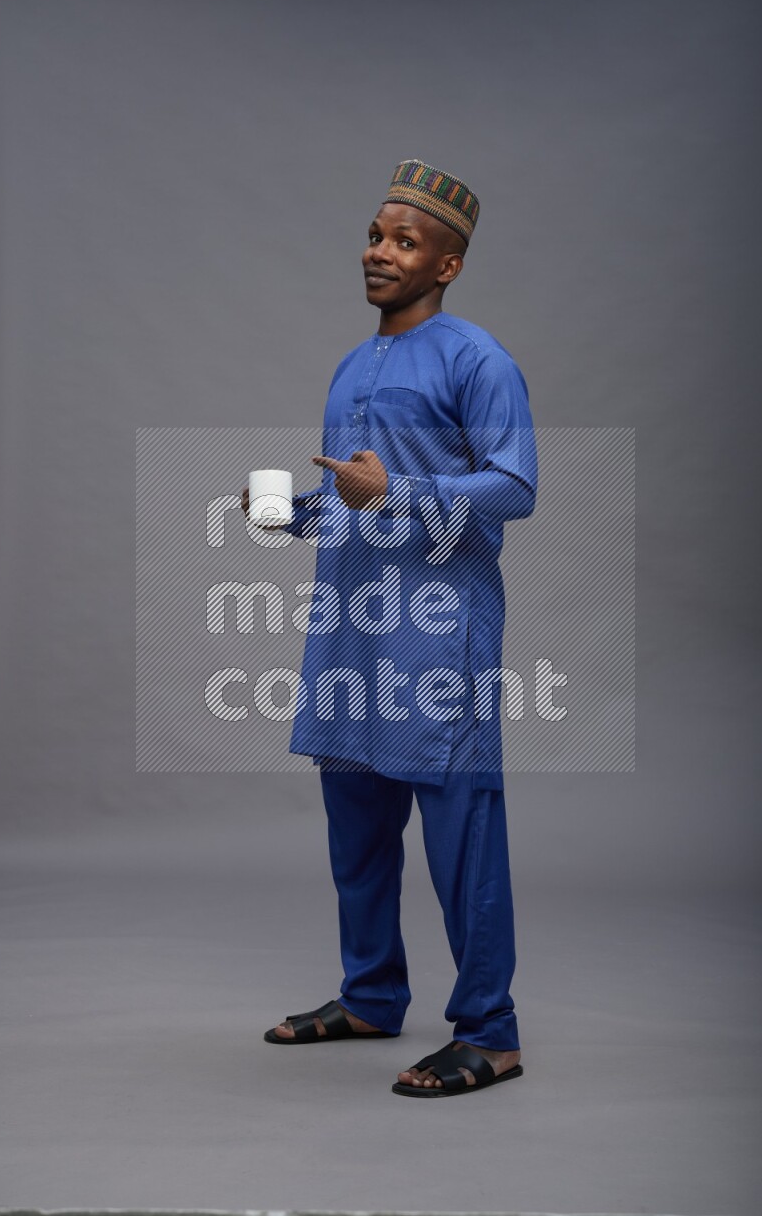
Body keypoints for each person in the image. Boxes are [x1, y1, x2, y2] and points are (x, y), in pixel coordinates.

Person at [242, 159, 538, 1096]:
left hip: (435, 641)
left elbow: (516, 487)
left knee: (459, 838)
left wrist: (397, 488)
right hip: (352, 635)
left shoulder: (475, 358)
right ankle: (371, 993)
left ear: (446, 265)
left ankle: (490, 1032)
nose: (380, 252)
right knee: (356, 832)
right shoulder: (351, 364)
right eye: (376, 234)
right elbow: (352, 501)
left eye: (405, 241)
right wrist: (292, 508)